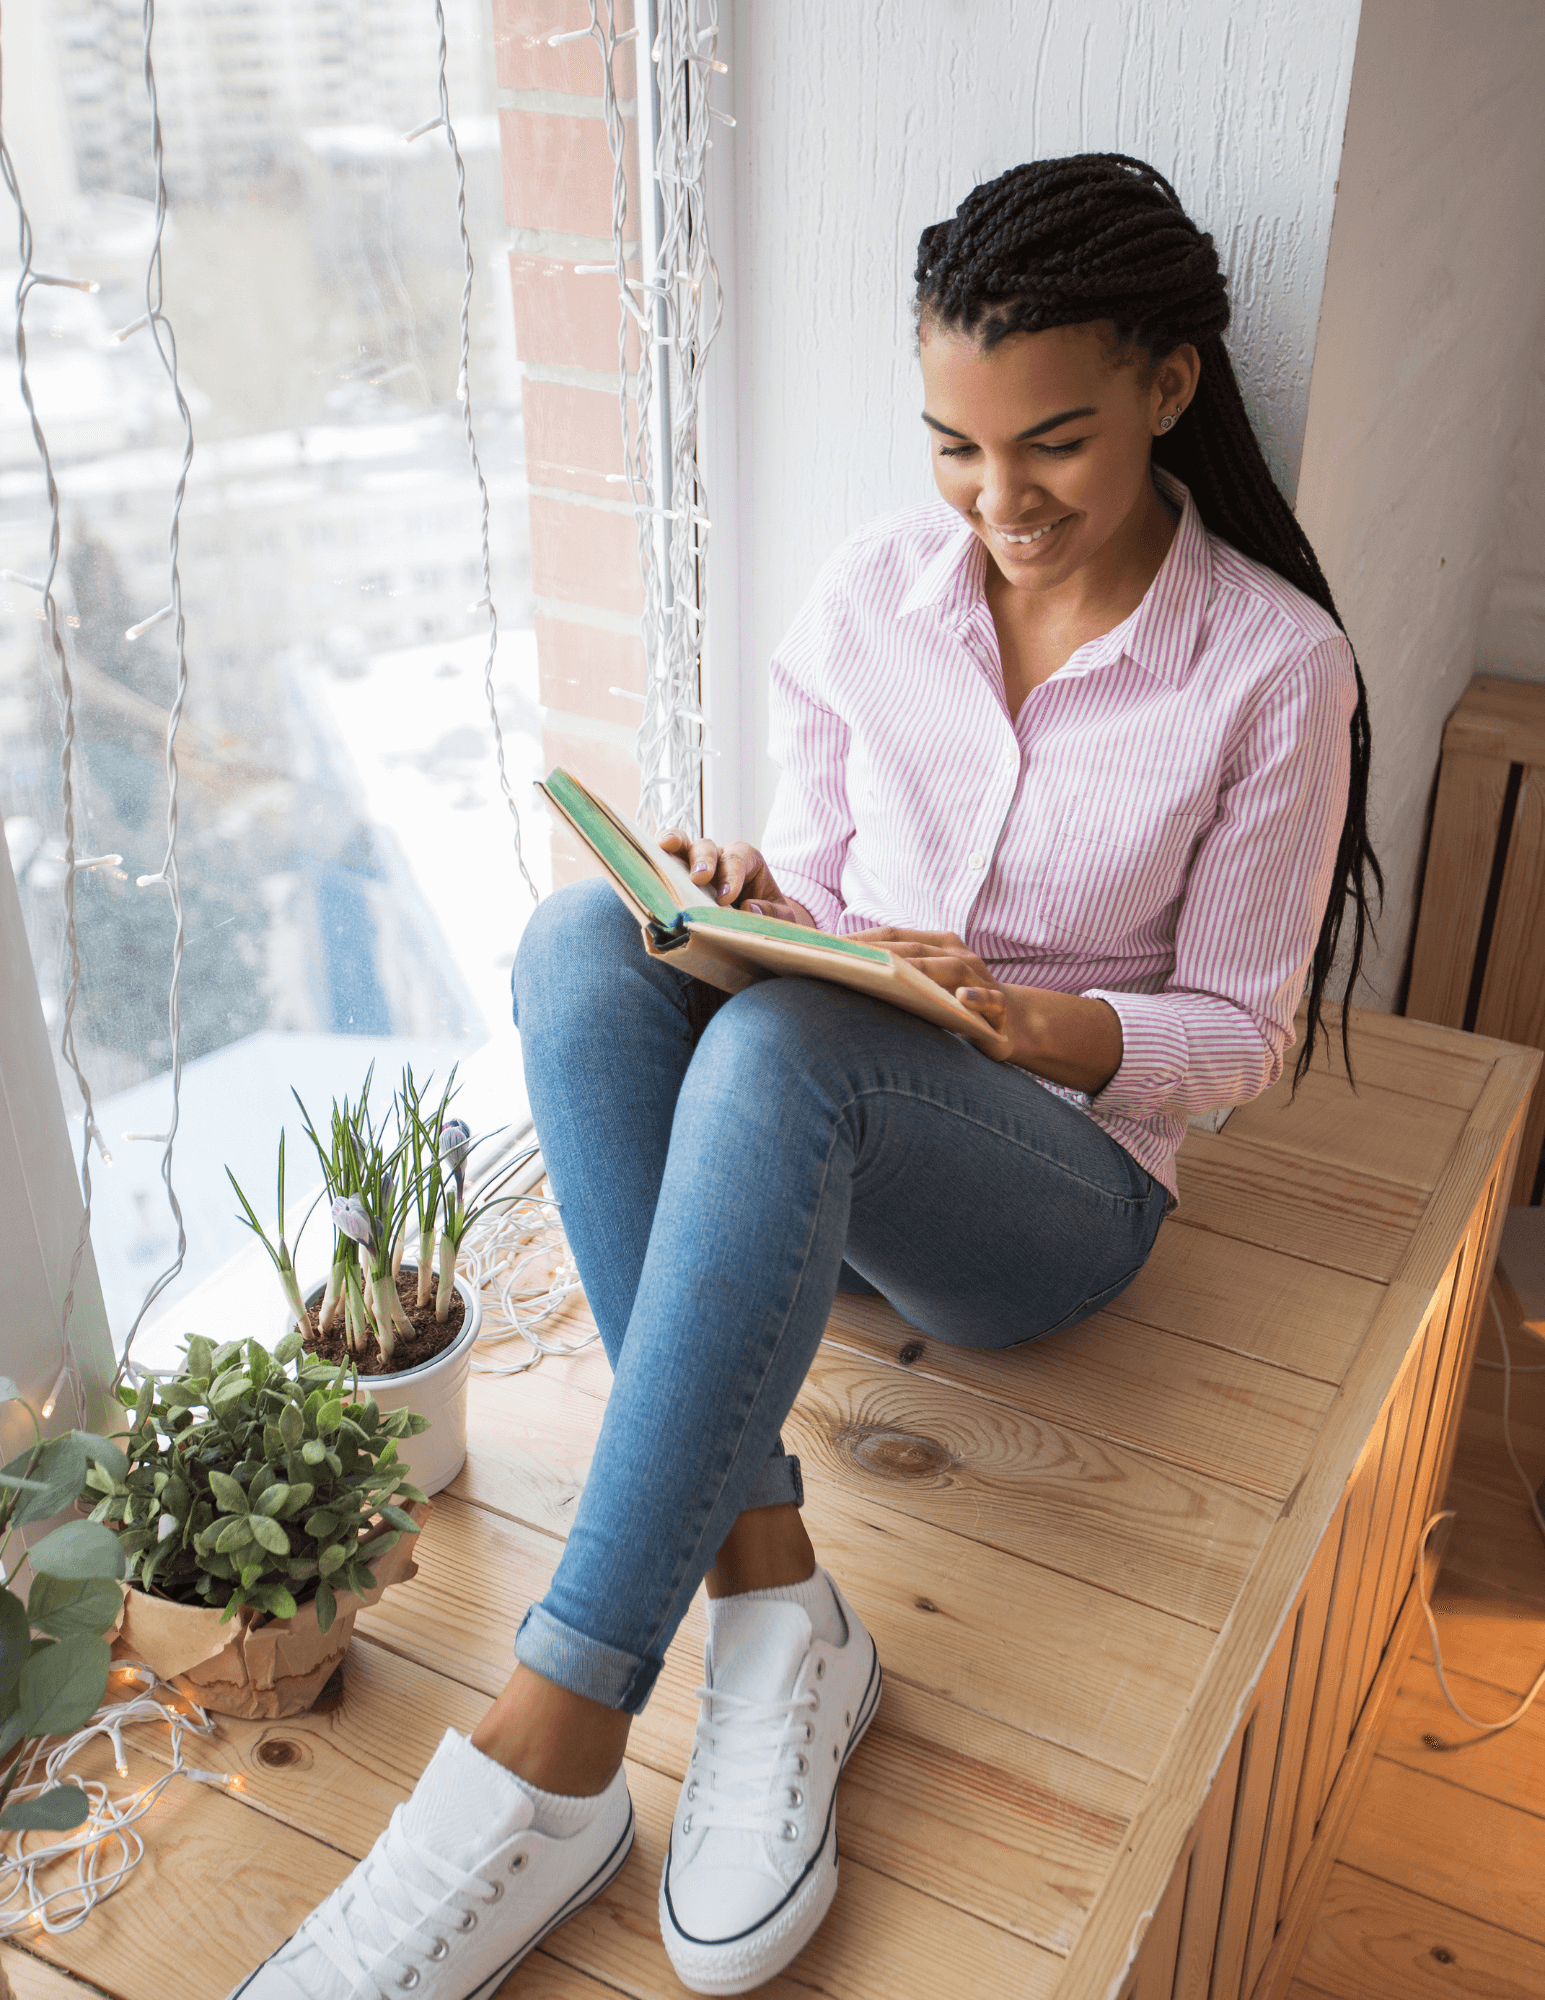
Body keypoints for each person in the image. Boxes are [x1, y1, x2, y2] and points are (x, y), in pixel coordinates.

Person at [231, 152, 1380, 2000]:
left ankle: (554, 1747)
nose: (997, 503)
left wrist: (1029, 1020)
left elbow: (1242, 1030)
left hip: (1054, 1202)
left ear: (1172, 386)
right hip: (812, 1144)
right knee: (578, 948)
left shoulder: (1270, 670)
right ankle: (778, 1599)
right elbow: (832, 900)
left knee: (787, 1051)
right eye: (955, 448)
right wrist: (759, 901)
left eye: (1054, 447)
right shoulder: (872, 600)